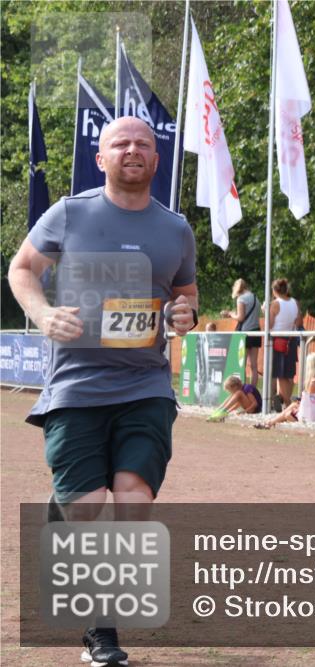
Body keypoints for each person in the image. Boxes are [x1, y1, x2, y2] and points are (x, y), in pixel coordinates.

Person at [7, 116, 197, 667]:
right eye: (121, 143)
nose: (132, 150)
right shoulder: (69, 213)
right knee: (87, 511)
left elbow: (185, 296)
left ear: (156, 160)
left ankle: (103, 634)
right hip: (75, 386)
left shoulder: (175, 229)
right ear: (101, 157)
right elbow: (22, 269)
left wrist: (185, 314)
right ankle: (66, 511)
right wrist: (42, 314)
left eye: (143, 144)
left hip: (145, 383)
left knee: (133, 503)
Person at [257, 353, 315, 428]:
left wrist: (299, 402)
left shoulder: (314, 382)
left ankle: (270, 423)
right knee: (294, 405)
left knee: (288, 414)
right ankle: (270, 422)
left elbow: (307, 403)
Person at [269, 278, 302, 410]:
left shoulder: (275, 304)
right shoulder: (295, 302)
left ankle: (287, 403)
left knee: (280, 373)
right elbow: (299, 322)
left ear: (274, 290)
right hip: (291, 338)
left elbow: (270, 324)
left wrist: (266, 311)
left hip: (278, 339)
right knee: (289, 373)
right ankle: (281, 397)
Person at [224, 278, 261, 387]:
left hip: (244, 333)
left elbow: (240, 317)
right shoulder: (255, 297)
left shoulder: (241, 299)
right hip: (256, 332)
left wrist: (231, 314)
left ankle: (242, 389)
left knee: (242, 364)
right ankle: (253, 390)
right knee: (254, 365)